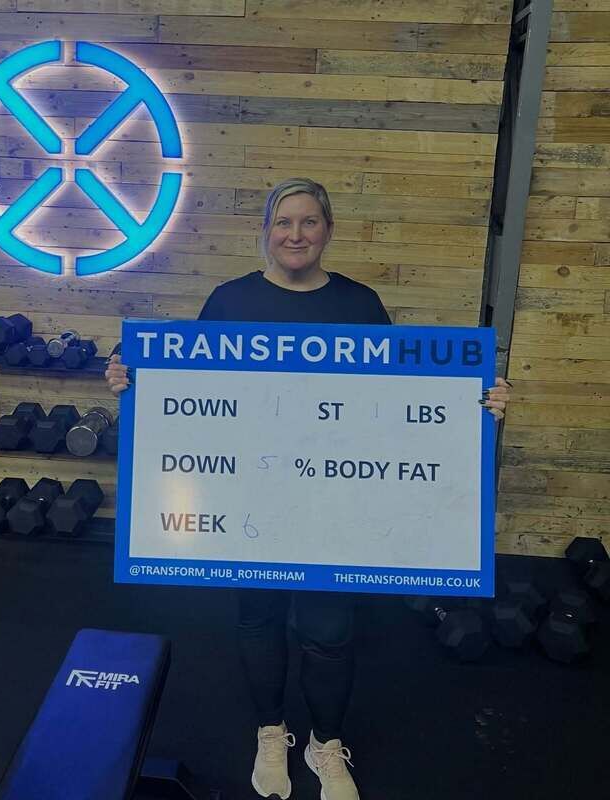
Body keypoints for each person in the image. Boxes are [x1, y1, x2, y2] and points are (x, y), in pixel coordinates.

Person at [105, 178, 511, 800]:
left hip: (332, 504)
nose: (295, 234)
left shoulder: (360, 304)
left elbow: (399, 402)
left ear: (328, 230)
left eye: (309, 222)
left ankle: (326, 744)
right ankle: (272, 732)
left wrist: (476, 404)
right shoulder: (230, 301)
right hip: (251, 499)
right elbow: (187, 388)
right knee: (259, 619)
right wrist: (132, 381)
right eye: (284, 222)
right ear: (266, 231)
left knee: (329, 629)